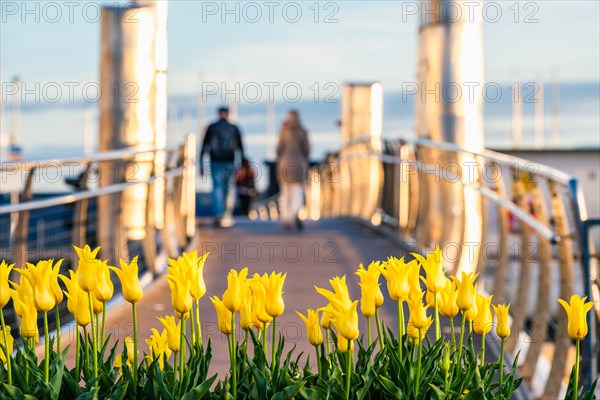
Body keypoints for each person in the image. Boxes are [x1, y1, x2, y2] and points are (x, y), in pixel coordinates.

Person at [200, 106, 244, 227]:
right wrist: (240, 166)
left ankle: (218, 214)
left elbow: (204, 146)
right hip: (230, 162)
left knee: (217, 188)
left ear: (218, 114)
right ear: (228, 114)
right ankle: (227, 215)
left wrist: (201, 165)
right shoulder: (234, 128)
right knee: (229, 188)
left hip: (214, 162)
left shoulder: (212, 127)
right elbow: (240, 148)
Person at [276, 110, 310, 230]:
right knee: (297, 191)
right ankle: (295, 211)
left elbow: (279, 148)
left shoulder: (284, 130)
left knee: (285, 193)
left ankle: (287, 218)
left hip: (285, 164)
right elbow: (307, 149)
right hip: (299, 164)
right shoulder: (303, 131)